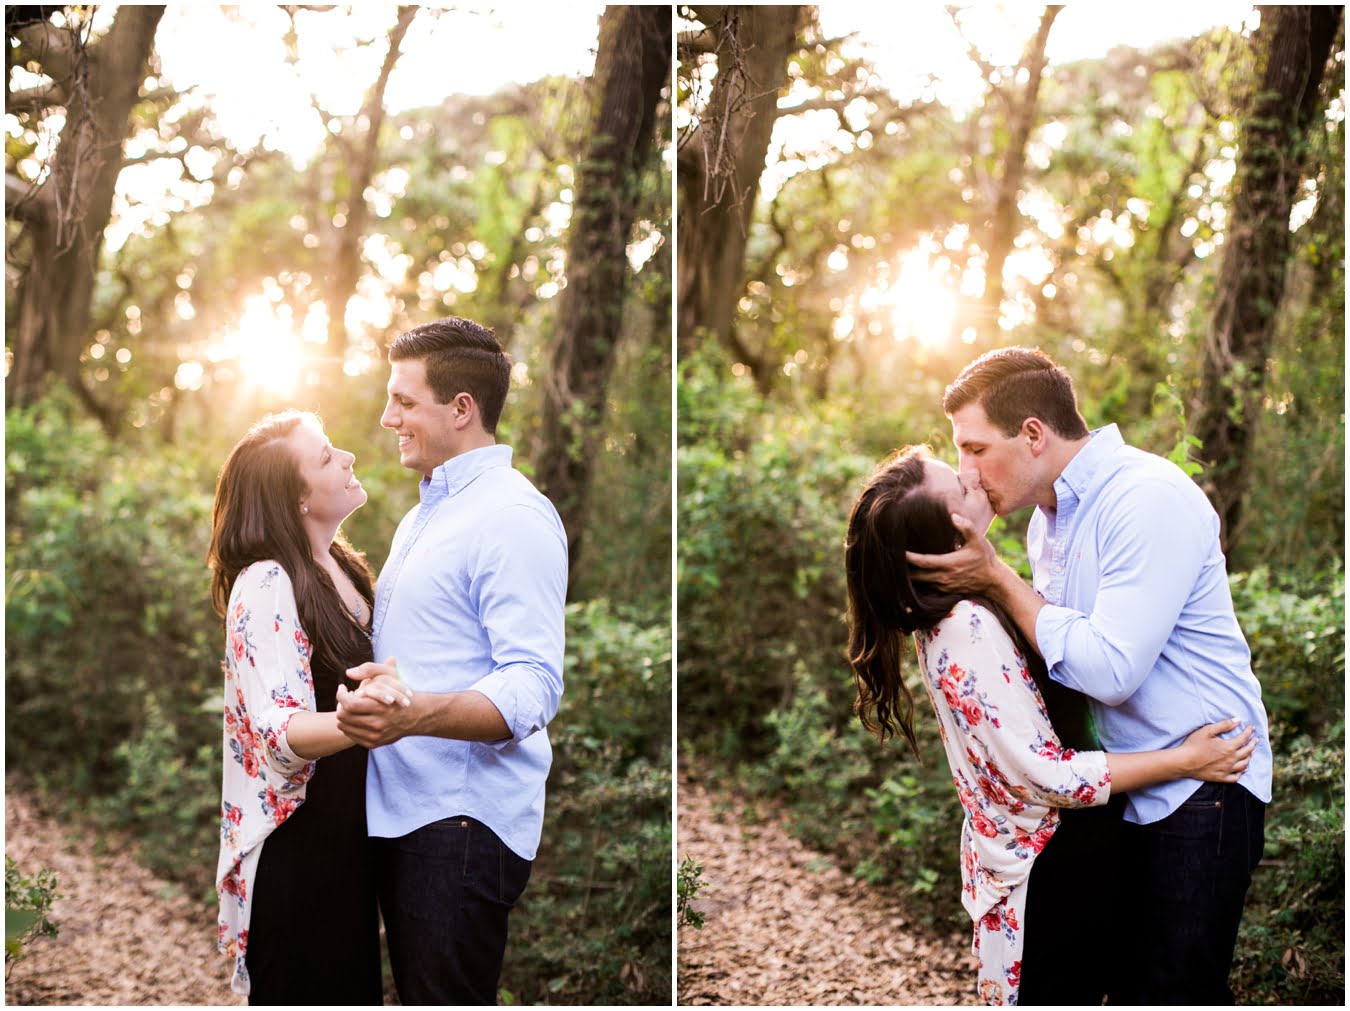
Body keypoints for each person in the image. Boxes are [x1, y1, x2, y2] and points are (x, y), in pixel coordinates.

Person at [908, 346, 1272, 1004]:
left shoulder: (1145, 497)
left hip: (1202, 784)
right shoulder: (1049, 524)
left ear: (1033, 434)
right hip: (1126, 788)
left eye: (974, 448)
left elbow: (1109, 670)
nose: (967, 470)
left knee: (1174, 991)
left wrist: (996, 575)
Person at [334, 316, 568, 1005]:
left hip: (459, 827)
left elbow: (531, 686)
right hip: (403, 814)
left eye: (405, 401)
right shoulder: (424, 515)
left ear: (461, 408)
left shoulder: (511, 514)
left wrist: (412, 713)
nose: (387, 417)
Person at [208, 410, 411, 1002]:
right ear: (295, 499)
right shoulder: (267, 582)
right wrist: (365, 720)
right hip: (298, 853)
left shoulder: (343, 566)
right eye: (325, 457)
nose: (347, 457)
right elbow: (279, 730)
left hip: (352, 848)